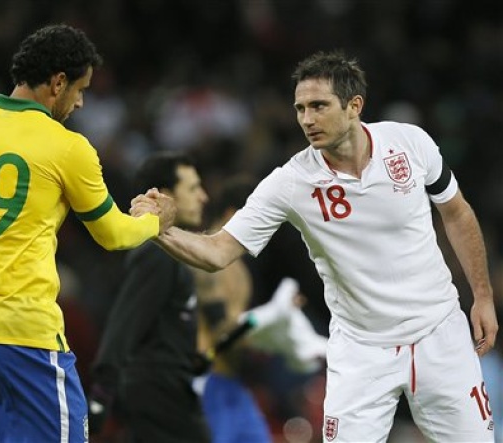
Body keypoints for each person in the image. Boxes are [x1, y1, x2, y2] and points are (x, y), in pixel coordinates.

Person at [132, 50, 499, 442]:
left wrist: (482, 295)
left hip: (439, 333)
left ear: (354, 106)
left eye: (319, 106)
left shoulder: (409, 143)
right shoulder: (291, 182)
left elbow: (456, 212)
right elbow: (218, 251)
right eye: (300, 108)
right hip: (362, 350)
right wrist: (159, 229)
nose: (307, 119)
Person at [0, 24, 174, 443]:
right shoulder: (67, 147)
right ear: (58, 82)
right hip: (23, 338)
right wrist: (156, 220)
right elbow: (112, 234)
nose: (80, 102)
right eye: (80, 90)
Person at [192, 176, 327, 443]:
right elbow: (221, 332)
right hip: (205, 381)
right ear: (233, 215)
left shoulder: (239, 271)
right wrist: (273, 320)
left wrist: (280, 322)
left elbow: (238, 330)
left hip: (230, 382)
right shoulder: (207, 261)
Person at [88, 151, 211, 443]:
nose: (203, 196)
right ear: (166, 196)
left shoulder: (173, 256)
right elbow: (125, 322)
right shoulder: (157, 254)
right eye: (193, 188)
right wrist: (101, 392)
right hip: (158, 391)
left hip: (170, 389)